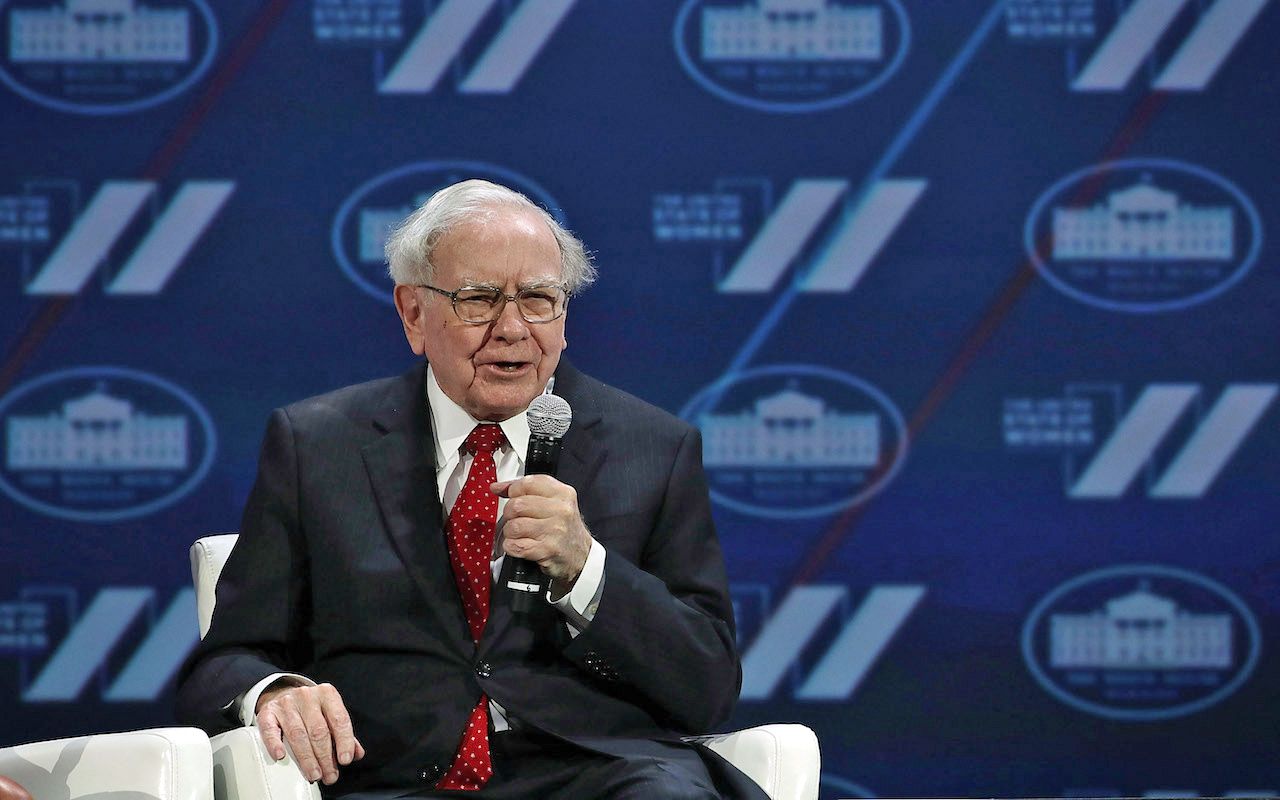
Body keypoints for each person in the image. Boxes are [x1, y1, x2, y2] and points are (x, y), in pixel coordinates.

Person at [176, 179, 766, 799]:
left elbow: (707, 688)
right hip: (394, 780)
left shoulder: (652, 448)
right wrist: (276, 692)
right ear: (412, 314)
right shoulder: (319, 445)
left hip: (597, 776)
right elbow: (226, 659)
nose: (512, 329)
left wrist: (586, 571)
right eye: (478, 299)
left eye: (539, 299)